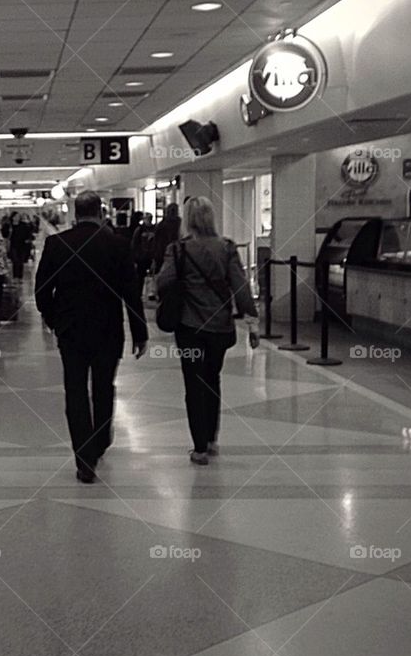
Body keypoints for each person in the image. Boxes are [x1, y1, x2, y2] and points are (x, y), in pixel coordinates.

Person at [35, 191, 148, 484]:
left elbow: (42, 290)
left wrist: (53, 319)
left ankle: (84, 459)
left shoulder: (57, 244)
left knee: (75, 390)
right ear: (100, 213)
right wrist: (140, 332)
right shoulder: (118, 245)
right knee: (103, 386)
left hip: (71, 331)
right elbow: (131, 293)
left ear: (75, 213)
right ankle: (100, 440)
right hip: (108, 330)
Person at [156, 197, 259, 465]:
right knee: (212, 379)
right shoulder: (226, 248)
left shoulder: (177, 250)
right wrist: (251, 320)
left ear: (188, 219)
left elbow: (162, 283)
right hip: (219, 327)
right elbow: (240, 286)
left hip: (189, 327)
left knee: (193, 383)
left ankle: (199, 447)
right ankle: (212, 437)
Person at [130, 212, 156, 299]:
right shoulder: (140, 230)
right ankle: (140, 293)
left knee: (152, 276)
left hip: (150, 256)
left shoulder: (155, 229)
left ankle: (150, 293)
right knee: (141, 276)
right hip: (142, 257)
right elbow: (134, 244)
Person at [152, 202, 181, 275]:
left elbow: (156, 242)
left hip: (163, 254)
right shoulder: (180, 223)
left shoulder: (161, 225)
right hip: (177, 254)